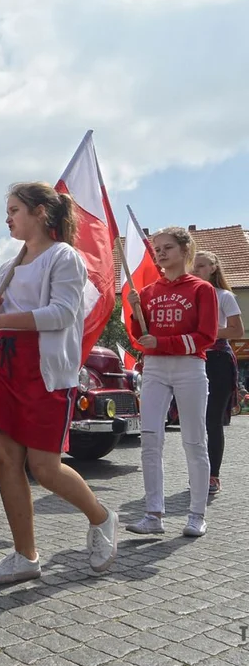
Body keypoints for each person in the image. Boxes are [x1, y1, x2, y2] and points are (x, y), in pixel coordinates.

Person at [0, 182, 118, 584]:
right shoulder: (8, 267)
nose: (8, 217)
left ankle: (101, 517)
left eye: (15, 209)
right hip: (5, 367)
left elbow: (61, 314)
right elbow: (2, 319)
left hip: (44, 372)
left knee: (45, 468)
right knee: (5, 460)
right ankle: (25, 555)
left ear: (40, 212)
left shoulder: (64, 256)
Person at [126, 227, 217, 537]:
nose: (161, 253)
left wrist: (162, 344)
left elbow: (207, 337)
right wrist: (133, 311)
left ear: (184, 250)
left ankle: (196, 514)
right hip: (154, 369)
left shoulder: (201, 289)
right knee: (150, 439)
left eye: (167, 247)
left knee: (194, 440)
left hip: (189, 368)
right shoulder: (149, 292)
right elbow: (141, 338)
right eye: (157, 249)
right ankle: (153, 514)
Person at [191, 251, 242, 494]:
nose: (196, 270)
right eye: (194, 266)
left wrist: (207, 332)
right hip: (193, 360)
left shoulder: (225, 296)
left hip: (218, 359)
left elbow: (237, 331)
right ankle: (198, 472)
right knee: (194, 422)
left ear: (213, 267)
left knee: (212, 419)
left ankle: (213, 476)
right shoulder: (190, 296)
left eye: (201, 266)